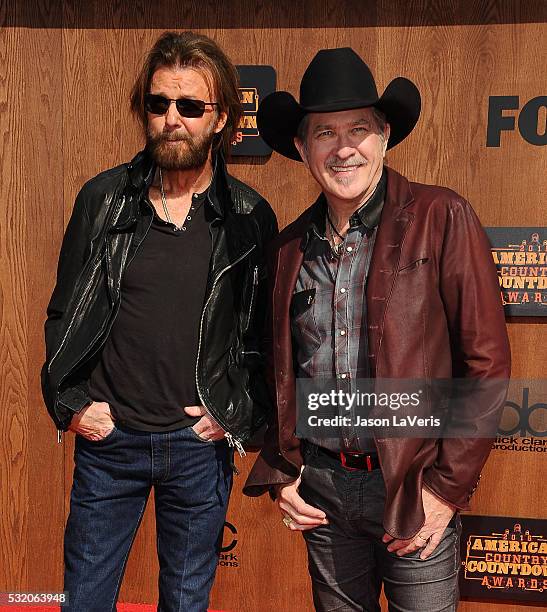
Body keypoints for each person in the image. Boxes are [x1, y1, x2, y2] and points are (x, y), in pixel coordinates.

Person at [244, 47, 510, 611]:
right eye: (325, 133)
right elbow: (273, 369)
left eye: (359, 129)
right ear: (301, 147)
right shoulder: (288, 248)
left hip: (414, 487)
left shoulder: (442, 217)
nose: (344, 148)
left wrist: (445, 490)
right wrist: (281, 469)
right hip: (324, 490)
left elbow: (485, 363)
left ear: (384, 136)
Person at [41, 31, 276, 612]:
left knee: (186, 602)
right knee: (86, 601)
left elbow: (262, 337)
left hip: (197, 448)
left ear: (220, 119)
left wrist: (234, 414)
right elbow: (64, 312)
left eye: (191, 107)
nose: (173, 119)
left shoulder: (248, 217)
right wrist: (71, 405)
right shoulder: (104, 199)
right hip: (109, 441)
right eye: (159, 104)